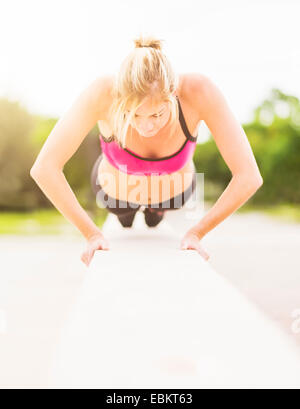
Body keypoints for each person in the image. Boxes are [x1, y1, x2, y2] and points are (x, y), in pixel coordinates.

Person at [30, 35, 263, 268]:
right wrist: (91, 234)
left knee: (155, 217)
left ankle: (156, 211)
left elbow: (249, 177)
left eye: (157, 114)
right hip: (116, 196)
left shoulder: (198, 91)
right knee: (124, 216)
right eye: (133, 114)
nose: (145, 126)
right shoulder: (102, 93)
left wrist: (197, 233)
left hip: (174, 196)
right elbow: (44, 169)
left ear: (173, 94)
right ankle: (129, 213)